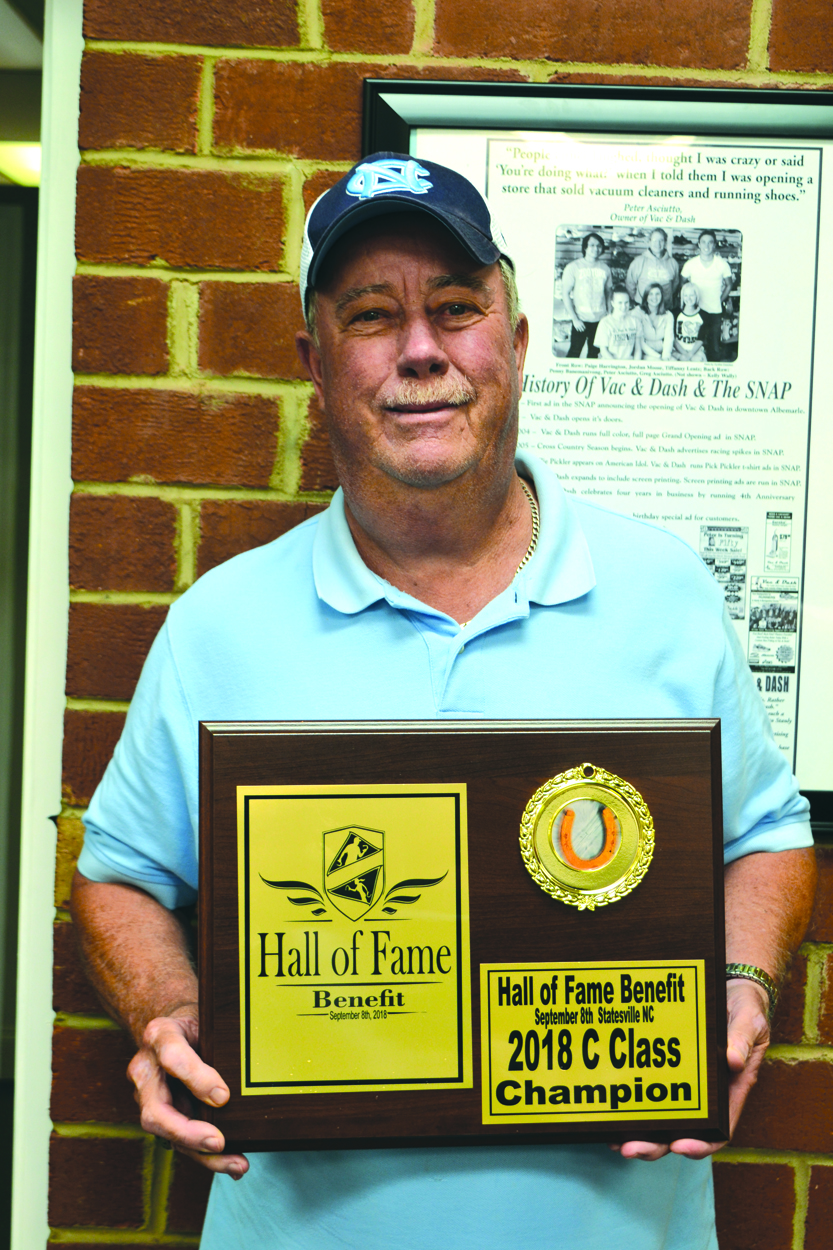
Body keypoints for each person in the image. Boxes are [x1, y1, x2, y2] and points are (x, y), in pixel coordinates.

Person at [71, 152, 815, 1250]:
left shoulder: (663, 589)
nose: (420, 350)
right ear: (313, 364)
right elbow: (119, 874)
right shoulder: (218, 624)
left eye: (457, 309)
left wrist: (743, 979)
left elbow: (765, 831)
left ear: (513, 345)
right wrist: (167, 1012)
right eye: (372, 316)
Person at [680, 230, 734, 362]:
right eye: (703, 242)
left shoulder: (722, 264)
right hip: (695, 311)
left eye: (710, 242)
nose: (706, 245)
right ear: (698, 244)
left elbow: (729, 285)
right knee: (693, 346)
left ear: (714, 245)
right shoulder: (690, 264)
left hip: (714, 311)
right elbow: (682, 284)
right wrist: (689, 302)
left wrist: (719, 300)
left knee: (714, 348)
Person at [560, 231, 612, 358]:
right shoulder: (573, 267)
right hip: (581, 320)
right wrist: (575, 319)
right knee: (574, 353)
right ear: (585, 247)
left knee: (594, 353)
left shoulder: (605, 268)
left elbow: (608, 292)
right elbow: (565, 294)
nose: (596, 248)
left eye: (599, 246)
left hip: (600, 320)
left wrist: (609, 315)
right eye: (592, 245)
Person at [625, 228, 680, 308]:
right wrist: (638, 302)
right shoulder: (638, 262)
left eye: (661, 240)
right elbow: (630, 284)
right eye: (654, 240)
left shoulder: (673, 263)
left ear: (665, 242)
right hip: (642, 308)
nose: (657, 244)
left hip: (665, 309)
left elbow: (675, 286)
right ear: (649, 242)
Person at [595, 286, 643, 359]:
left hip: (628, 363)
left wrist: (636, 366)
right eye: (620, 303)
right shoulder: (605, 323)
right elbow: (604, 351)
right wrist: (617, 367)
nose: (624, 306)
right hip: (610, 363)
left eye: (626, 302)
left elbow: (637, 349)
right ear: (613, 303)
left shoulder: (635, 322)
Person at [637, 282, 674, 360]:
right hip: (646, 352)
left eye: (657, 294)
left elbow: (669, 338)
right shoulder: (638, 313)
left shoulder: (668, 315)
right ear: (646, 297)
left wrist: (665, 357)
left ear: (662, 296)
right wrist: (658, 357)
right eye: (651, 294)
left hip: (663, 351)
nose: (654, 297)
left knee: (674, 363)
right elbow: (640, 342)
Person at [674, 282, 709, 362]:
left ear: (696, 296)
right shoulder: (675, 313)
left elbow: (701, 339)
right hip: (678, 351)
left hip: (695, 351)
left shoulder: (703, 315)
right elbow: (673, 339)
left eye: (691, 295)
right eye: (685, 295)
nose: (688, 298)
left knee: (699, 360)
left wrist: (690, 354)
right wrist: (685, 355)